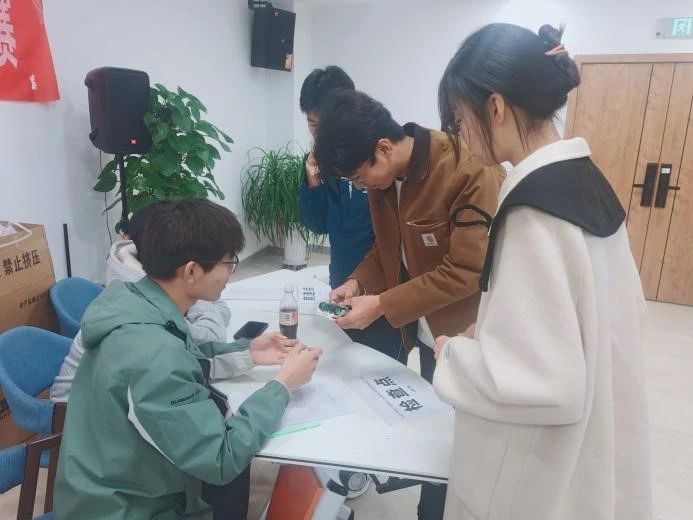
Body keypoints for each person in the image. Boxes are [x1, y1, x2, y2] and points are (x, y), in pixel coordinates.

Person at [433, 23, 651, 519]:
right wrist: (496, 330)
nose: (462, 136)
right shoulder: (586, 181)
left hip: (543, 466)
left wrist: (454, 355)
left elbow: (540, 382)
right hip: (600, 427)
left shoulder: (533, 211)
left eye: (461, 120)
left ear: (495, 108)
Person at [55, 199, 323, 520]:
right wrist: (282, 386)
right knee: (235, 471)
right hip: (125, 508)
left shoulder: (135, 300)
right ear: (192, 271)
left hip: (102, 484)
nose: (231, 272)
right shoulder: (154, 355)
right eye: (229, 262)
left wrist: (247, 353)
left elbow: (183, 355)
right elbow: (221, 458)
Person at [313, 89, 503, 520]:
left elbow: (467, 270)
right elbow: (386, 250)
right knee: (437, 437)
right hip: (424, 333)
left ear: (383, 148)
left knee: (462, 445)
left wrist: (381, 303)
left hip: (464, 336)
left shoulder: (464, 168)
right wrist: (357, 282)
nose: (361, 187)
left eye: (359, 178)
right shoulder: (383, 181)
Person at [299, 66, 404, 362]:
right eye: (312, 124)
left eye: (324, 125)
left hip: (381, 285)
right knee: (344, 361)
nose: (319, 135)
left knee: (381, 365)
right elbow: (317, 224)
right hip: (343, 279)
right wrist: (313, 182)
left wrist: (375, 289)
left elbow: (391, 238)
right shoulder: (320, 161)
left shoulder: (377, 159)